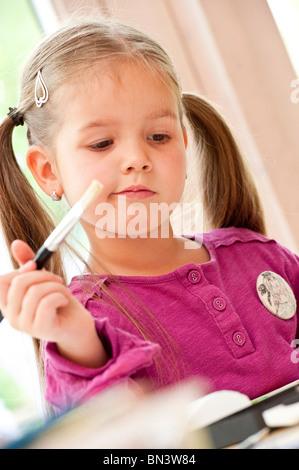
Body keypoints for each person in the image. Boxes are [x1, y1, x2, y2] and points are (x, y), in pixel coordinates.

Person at [0, 17, 299, 415]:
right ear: (48, 171)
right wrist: (80, 344)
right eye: (102, 143)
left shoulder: (263, 257)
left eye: (158, 137)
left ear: (184, 141)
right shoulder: (82, 324)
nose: (137, 160)